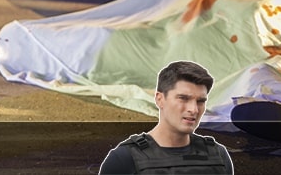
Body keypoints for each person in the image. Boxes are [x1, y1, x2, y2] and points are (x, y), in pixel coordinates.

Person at [99, 61, 234, 174]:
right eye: (183, 98)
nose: (193, 109)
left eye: (200, 101)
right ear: (160, 99)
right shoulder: (124, 159)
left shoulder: (218, 155)